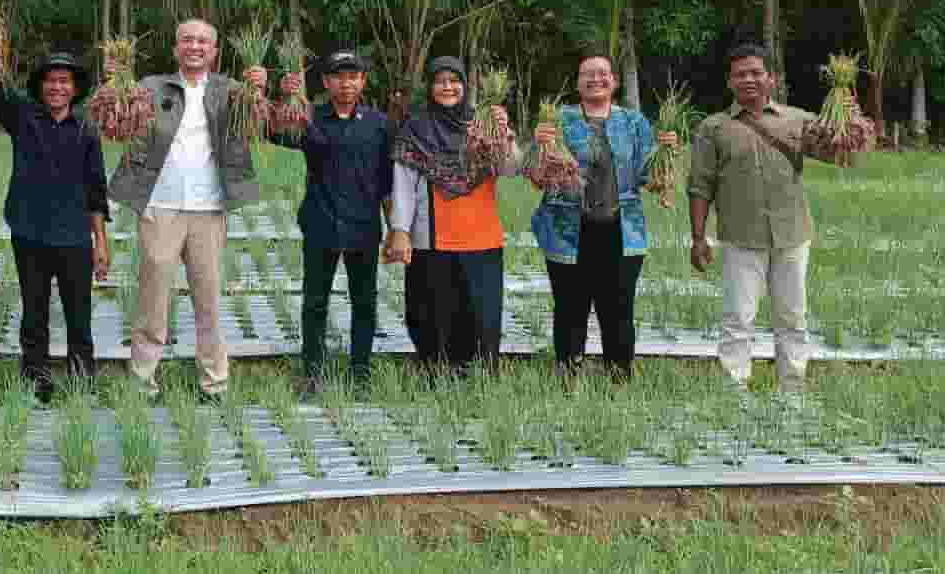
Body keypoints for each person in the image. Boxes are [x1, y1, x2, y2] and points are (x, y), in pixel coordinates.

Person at [109, 18, 260, 402]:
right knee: (152, 301)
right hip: (160, 209)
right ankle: (142, 382)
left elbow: (264, 120)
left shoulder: (231, 92)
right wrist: (115, 85)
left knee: (208, 300)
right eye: (187, 40)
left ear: (214, 52)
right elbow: (117, 124)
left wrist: (261, 86)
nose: (194, 47)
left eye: (203, 42)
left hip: (209, 210)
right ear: (175, 49)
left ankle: (214, 383)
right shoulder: (151, 88)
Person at [687, 42, 842, 394]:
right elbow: (699, 186)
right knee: (738, 319)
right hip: (741, 238)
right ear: (730, 82)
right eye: (740, 74)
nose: (748, 80)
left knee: (793, 318)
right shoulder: (714, 128)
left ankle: (793, 390)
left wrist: (847, 115)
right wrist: (699, 238)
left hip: (792, 235)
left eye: (756, 72)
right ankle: (734, 391)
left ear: (772, 78)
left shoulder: (799, 120)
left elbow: (839, 153)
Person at [530, 52, 677, 382]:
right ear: (578, 82)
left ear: (615, 81)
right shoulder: (559, 120)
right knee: (570, 307)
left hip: (621, 230)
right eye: (587, 74)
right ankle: (568, 374)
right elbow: (536, 175)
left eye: (603, 73)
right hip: (568, 228)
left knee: (619, 308)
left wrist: (665, 152)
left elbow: (646, 176)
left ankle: (620, 376)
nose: (596, 79)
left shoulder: (634, 123)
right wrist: (540, 146)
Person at [267, 49, 392, 396]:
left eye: (353, 76)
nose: (346, 82)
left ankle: (361, 372)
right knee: (315, 301)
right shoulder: (309, 118)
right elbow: (272, 131)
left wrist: (396, 229)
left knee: (364, 301)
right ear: (325, 82)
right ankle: (311, 372)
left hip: (364, 226)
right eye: (338, 76)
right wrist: (284, 96)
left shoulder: (379, 124)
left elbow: (386, 182)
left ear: (363, 81)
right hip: (321, 223)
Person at [0, 51, 111, 402]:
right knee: (34, 309)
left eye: (64, 81)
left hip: (74, 235)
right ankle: (36, 377)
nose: (57, 87)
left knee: (78, 311)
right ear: (41, 86)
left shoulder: (87, 128)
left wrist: (100, 242)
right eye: (51, 81)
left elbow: (96, 188)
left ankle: (81, 377)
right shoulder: (24, 118)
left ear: (74, 89)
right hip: (30, 231)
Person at [384, 56, 518, 374]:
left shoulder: (481, 124)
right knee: (431, 309)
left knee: (480, 310)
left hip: (481, 235)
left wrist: (505, 133)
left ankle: (480, 372)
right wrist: (400, 230)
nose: (448, 87)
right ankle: (435, 368)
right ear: (429, 88)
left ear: (465, 85)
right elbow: (403, 184)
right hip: (433, 237)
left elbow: (510, 168)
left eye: (454, 80)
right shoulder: (415, 128)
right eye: (440, 81)